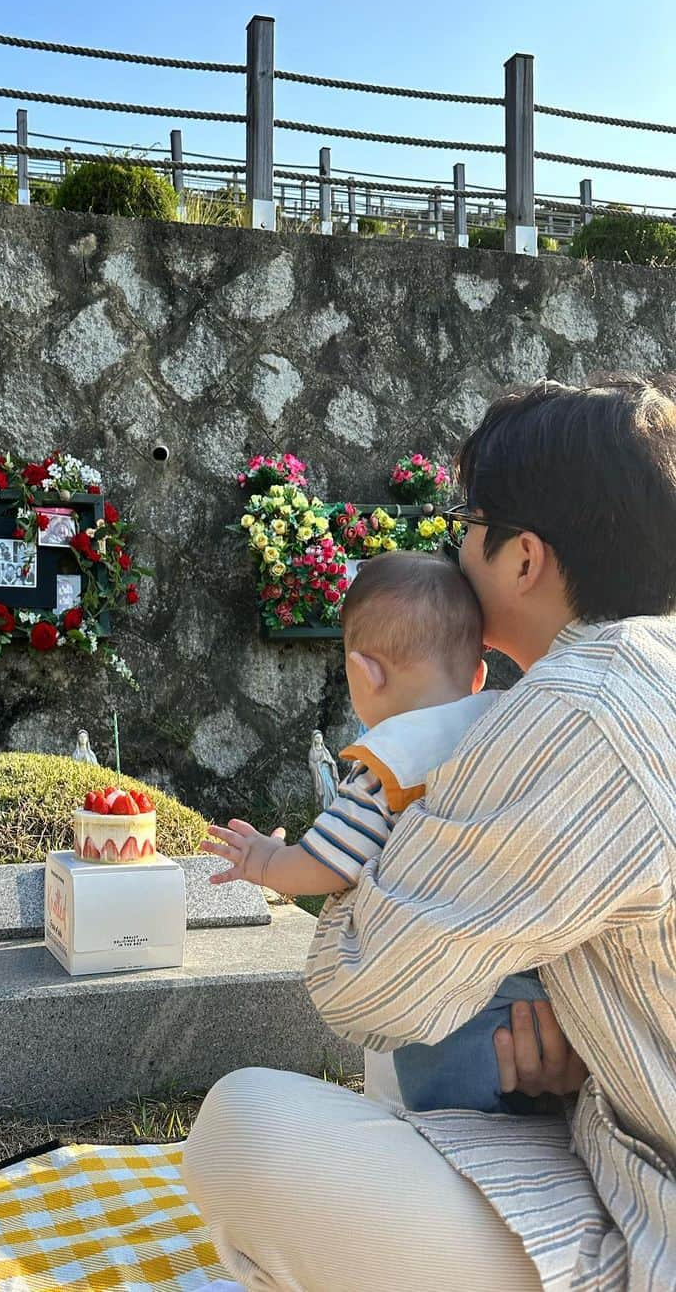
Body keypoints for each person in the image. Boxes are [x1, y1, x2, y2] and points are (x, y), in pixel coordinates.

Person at [183, 377, 676, 1291]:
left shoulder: (576, 709)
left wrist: (385, 789)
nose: (453, 541)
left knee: (243, 1127)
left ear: (523, 557)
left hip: (654, 1208)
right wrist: (580, 1051)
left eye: (467, 517)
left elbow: (372, 994)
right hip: (628, 1134)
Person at [204, 550, 549, 1114]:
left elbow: (328, 861)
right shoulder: (507, 727)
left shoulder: (390, 766)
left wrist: (266, 861)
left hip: (438, 992)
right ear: (479, 674)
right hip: (524, 979)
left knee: (441, 1115)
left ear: (364, 674)